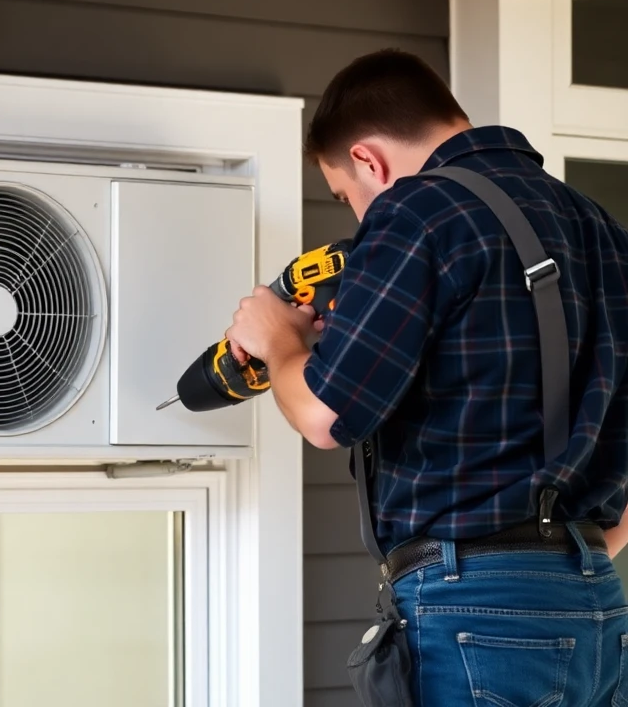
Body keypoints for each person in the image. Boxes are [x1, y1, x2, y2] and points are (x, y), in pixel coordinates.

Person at [224, 48, 628, 704]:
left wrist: (279, 343)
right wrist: (576, 557)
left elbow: (326, 416)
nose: (360, 216)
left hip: (475, 609)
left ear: (368, 161)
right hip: (598, 606)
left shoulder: (418, 210)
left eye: (347, 196)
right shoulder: (602, 227)